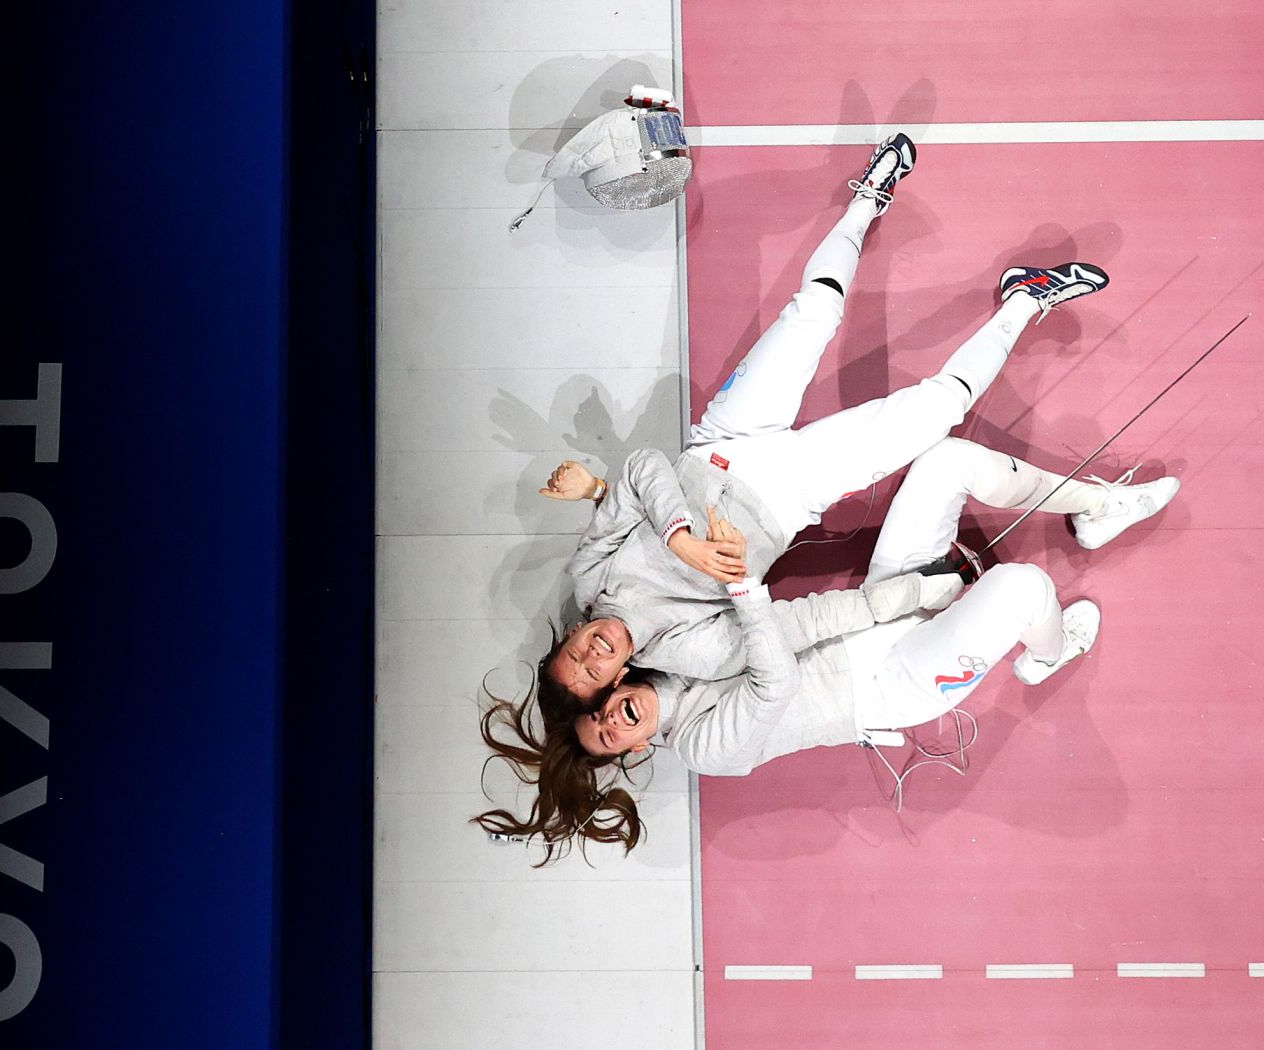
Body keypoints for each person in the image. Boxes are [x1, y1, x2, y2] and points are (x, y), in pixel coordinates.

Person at [537, 133, 1141, 710]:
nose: (593, 652)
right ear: (616, 680)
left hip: (722, 440)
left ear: (568, 636)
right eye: (595, 673)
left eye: (575, 652)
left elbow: (644, 469)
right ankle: (1025, 300)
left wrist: (679, 539)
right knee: (938, 411)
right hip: (790, 494)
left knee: (816, 309)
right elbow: (791, 623)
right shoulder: (690, 652)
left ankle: (867, 196)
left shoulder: (590, 579)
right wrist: (910, 595)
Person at [475, 437, 1178, 861]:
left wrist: (904, 594)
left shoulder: (663, 657)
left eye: (599, 713)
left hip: (869, 612)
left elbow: (796, 622)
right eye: (608, 738)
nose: (613, 721)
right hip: (890, 684)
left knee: (948, 461)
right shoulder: (702, 748)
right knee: (1023, 589)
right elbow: (773, 680)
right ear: (631, 753)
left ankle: (1096, 506)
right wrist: (747, 579)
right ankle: (1047, 656)